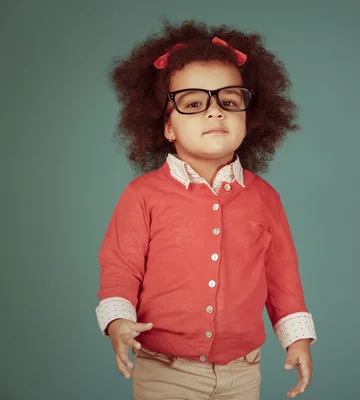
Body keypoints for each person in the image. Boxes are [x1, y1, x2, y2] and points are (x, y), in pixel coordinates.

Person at [95, 20, 317, 399]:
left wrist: (297, 339)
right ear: (167, 127)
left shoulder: (264, 197)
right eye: (194, 103)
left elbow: (282, 276)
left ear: (249, 119)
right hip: (165, 371)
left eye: (229, 102)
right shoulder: (142, 195)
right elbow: (120, 268)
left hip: (243, 372)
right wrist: (117, 321)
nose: (215, 113)